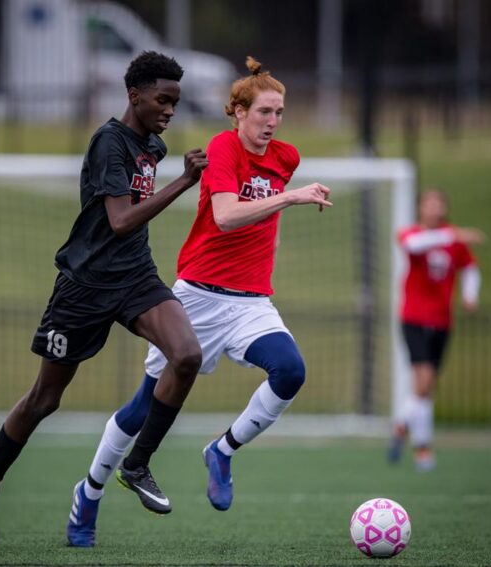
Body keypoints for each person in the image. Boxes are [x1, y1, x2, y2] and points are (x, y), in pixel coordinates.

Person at [72, 56, 333, 545]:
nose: (272, 123)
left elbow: (262, 224)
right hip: (197, 298)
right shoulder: (222, 149)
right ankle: (88, 494)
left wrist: (270, 244)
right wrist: (291, 198)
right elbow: (229, 215)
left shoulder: (286, 157)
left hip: (251, 302)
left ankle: (223, 450)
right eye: (263, 113)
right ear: (237, 112)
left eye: (279, 113)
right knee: (140, 410)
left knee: (291, 370)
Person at [0, 51, 208, 550]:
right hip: (85, 285)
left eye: (176, 102)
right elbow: (119, 221)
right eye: (162, 99)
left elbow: (131, 226)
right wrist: (184, 183)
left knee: (186, 355)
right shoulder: (108, 143)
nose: (170, 109)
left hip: (135, 276)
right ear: (134, 94)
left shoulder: (152, 147)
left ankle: (136, 464)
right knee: (44, 399)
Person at [388, 188, 484, 471]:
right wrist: (452, 235)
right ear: (420, 208)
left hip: (442, 320)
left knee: (426, 388)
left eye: (438, 203)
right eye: (428, 203)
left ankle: (407, 430)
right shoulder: (412, 233)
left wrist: (470, 294)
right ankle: (421, 448)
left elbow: (470, 268)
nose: (433, 208)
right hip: (414, 318)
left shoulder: (454, 239)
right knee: (424, 380)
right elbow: (414, 246)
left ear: (444, 208)